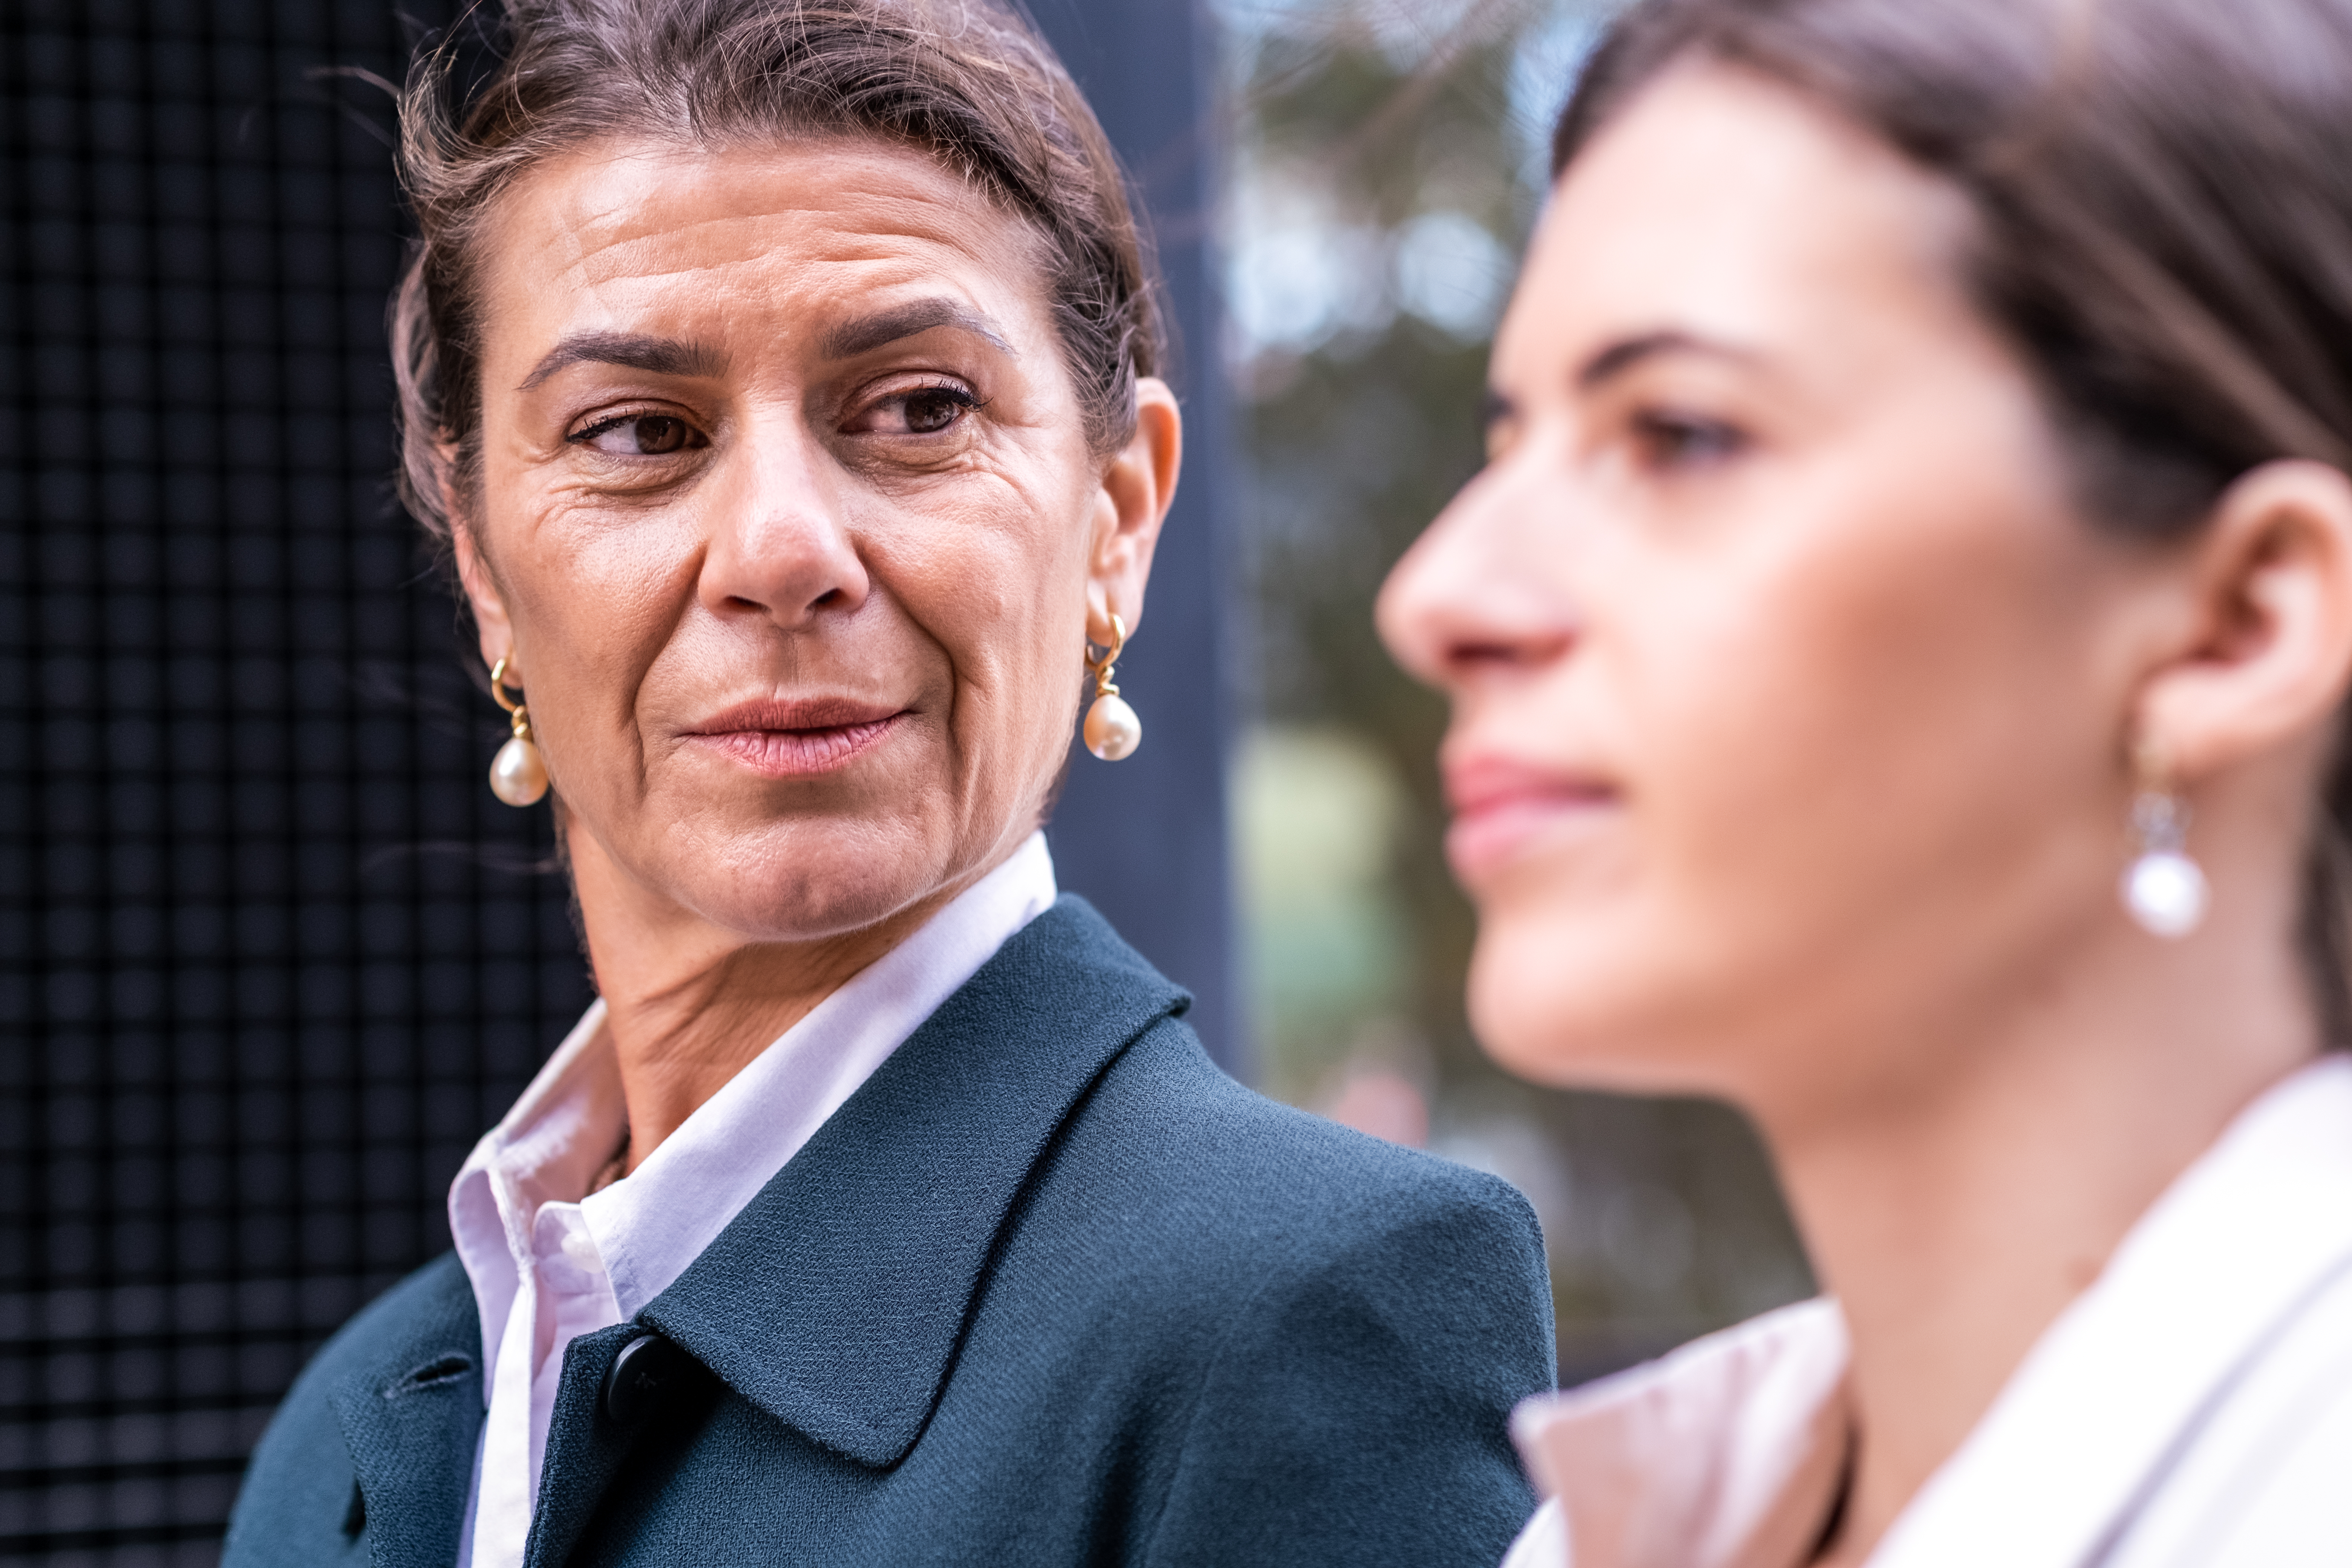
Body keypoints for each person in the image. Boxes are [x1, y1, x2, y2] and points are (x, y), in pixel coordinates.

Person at [221, 2, 1555, 1563]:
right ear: (485, 568)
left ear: (1117, 518)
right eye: (640, 431)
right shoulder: (352, 1430)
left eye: (921, 408)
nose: (785, 549)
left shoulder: (1307, 1313)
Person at [1378, 0, 2352, 1563]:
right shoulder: (1620, 1525)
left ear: (2237, 625)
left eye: (1678, 435)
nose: (1439, 593)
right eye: (1513, 442)